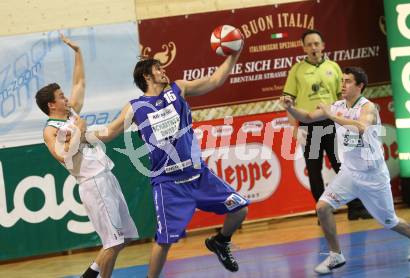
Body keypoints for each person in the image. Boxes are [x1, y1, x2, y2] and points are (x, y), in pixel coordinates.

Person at [87, 45, 249, 278]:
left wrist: (234, 54)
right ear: (147, 76)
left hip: (199, 175)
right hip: (168, 184)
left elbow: (214, 80)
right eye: (158, 68)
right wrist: (83, 134)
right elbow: (109, 132)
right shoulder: (135, 107)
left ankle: (220, 242)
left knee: (240, 210)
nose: (164, 71)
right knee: (163, 241)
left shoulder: (178, 89)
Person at [280, 66, 410, 274]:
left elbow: (361, 127)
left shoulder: (369, 108)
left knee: (390, 221)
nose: (343, 85)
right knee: (322, 207)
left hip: (373, 176)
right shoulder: (338, 105)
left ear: (360, 86)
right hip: (349, 174)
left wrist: (332, 116)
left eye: (348, 81)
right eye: (342, 81)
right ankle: (336, 255)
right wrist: (291, 108)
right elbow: (308, 117)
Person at [35, 34, 138, 278]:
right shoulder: (50, 130)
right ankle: (91, 275)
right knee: (113, 242)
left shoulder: (71, 114)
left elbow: (80, 83)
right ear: (51, 105)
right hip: (93, 183)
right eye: (61, 96)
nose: (66, 98)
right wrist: (80, 132)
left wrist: (78, 52)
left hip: (107, 177)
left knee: (124, 239)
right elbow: (62, 157)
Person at [282, 29, 371, 220]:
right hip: (310, 128)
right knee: (314, 170)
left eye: (317, 44)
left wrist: (347, 121)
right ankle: (324, 212)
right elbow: (288, 102)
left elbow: (343, 96)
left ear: (323, 46)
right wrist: (295, 129)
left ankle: (355, 207)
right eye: (309, 44)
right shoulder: (296, 71)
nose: (314, 48)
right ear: (304, 48)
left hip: (333, 125)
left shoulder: (334, 67)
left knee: (343, 166)